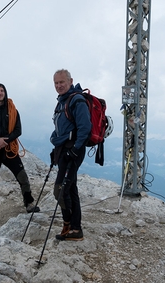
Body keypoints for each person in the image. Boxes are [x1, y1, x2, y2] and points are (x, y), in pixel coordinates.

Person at [0, 83, 40, 221]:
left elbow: (18, 130)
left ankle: (29, 203)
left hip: (9, 150)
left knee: (22, 176)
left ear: (5, 93)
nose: (0, 93)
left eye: (2, 91)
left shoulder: (13, 110)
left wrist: (4, 141)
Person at [50, 69, 91, 241]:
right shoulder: (62, 102)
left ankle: (70, 224)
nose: (59, 86)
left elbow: (85, 127)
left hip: (73, 151)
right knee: (70, 188)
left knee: (60, 189)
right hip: (63, 150)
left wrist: (75, 149)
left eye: (62, 82)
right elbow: (61, 128)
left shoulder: (77, 100)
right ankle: (75, 228)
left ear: (70, 81)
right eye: (56, 83)